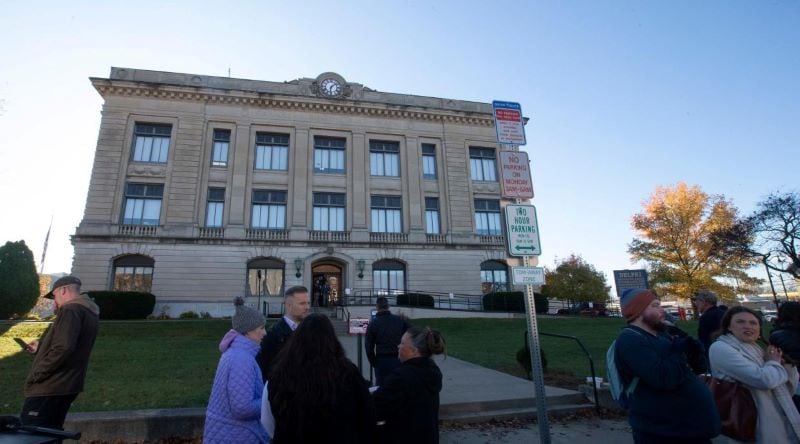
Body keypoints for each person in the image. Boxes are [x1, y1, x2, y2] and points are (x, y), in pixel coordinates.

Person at [613, 288, 720, 443]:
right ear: (638, 310)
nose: (661, 310)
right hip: (663, 432)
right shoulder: (631, 340)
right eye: (655, 305)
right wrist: (679, 350)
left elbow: (691, 365)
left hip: (687, 429)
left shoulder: (660, 336)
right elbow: (663, 378)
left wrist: (691, 350)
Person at [265, 313, 375, 443]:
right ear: (331, 338)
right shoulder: (347, 373)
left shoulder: (281, 373)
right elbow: (367, 416)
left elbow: (268, 421)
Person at [710, 306, 800, 443]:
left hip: (774, 416)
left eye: (753, 323)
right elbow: (764, 380)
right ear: (729, 326)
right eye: (740, 322)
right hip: (750, 419)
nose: (748, 326)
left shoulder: (756, 348)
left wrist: (786, 366)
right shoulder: (720, 348)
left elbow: (787, 390)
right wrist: (773, 363)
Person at [20, 275, 100, 429]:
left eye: (54, 295)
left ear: (63, 290)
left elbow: (63, 348)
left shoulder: (70, 309)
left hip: (50, 386)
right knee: (52, 432)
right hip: (67, 384)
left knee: (32, 434)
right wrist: (41, 347)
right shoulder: (88, 310)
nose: (54, 301)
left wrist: (38, 372)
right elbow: (71, 343)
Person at [203, 298, 269, 444]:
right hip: (237, 435)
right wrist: (270, 401)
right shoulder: (242, 359)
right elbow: (242, 408)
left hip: (228, 433)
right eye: (261, 328)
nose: (265, 333)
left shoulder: (235, 353)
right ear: (248, 332)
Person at [373, 326, 446, 444]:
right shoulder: (432, 370)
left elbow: (376, 406)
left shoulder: (402, 377)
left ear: (414, 350)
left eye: (402, 343)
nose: (398, 346)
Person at [256, 285, 310, 381]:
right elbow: (265, 371)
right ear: (288, 306)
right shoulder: (273, 335)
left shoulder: (310, 331)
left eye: (308, 303)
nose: (307, 307)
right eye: (302, 303)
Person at [365, 296, 410, 385]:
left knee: (382, 388)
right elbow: (411, 334)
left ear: (377, 306)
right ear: (388, 306)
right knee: (399, 386)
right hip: (398, 359)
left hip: (382, 360)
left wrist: (374, 362)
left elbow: (368, 347)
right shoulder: (399, 320)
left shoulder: (373, 324)